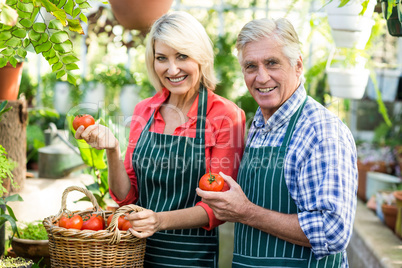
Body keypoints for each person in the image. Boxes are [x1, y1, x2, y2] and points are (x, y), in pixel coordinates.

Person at [75, 11, 245, 267]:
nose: (172, 68)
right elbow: (127, 197)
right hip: (132, 254)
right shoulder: (144, 110)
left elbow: (218, 208)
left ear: (200, 57)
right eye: (161, 58)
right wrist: (112, 150)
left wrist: (158, 221)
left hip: (189, 258)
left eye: (182, 56)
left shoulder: (224, 115)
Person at [197, 17, 358, 268]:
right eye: (251, 66)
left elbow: (332, 231)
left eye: (272, 63)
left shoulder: (321, 131)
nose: (262, 78)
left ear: (298, 65)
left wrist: (247, 212)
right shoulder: (258, 126)